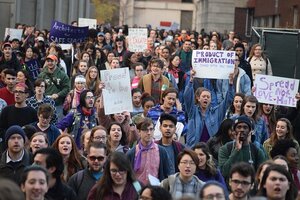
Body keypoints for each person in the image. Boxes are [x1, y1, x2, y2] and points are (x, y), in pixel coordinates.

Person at [184, 69, 234, 147]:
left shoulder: (217, 112)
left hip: (211, 150)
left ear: (211, 99)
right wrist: (190, 81)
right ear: (198, 98)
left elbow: (228, 101)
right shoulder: (192, 111)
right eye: (204, 96)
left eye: (208, 97)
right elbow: (187, 97)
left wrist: (230, 84)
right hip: (194, 148)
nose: (206, 98)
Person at [218, 115, 266, 181]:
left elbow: (261, 176)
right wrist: (236, 150)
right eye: (239, 127)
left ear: (250, 131)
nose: (242, 130)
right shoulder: (225, 149)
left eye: (245, 127)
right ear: (234, 131)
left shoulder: (257, 151)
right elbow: (224, 172)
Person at [127, 117, 173, 185]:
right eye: (145, 130)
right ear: (139, 131)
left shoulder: (161, 151)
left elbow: (168, 174)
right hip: (138, 191)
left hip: (156, 191)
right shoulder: (132, 153)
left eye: (151, 129)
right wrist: (138, 191)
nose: (149, 133)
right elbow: (129, 176)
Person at [0, 83, 37, 152]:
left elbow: (33, 131)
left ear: (27, 95)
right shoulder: (6, 110)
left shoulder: (33, 112)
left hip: (26, 148)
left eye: (20, 92)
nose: (17, 94)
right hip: (8, 146)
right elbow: (1, 129)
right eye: (16, 91)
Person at [38, 54, 70, 120]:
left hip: (58, 104)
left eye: (52, 61)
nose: (50, 63)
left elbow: (67, 88)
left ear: (56, 62)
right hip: (44, 104)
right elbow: (37, 86)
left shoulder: (62, 75)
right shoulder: (42, 75)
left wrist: (58, 94)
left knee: (58, 123)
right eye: (48, 61)